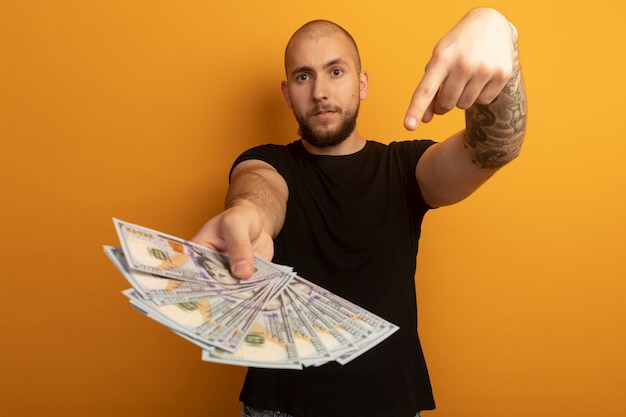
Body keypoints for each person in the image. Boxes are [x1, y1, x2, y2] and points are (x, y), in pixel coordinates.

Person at [192, 7, 527, 417]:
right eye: (303, 76)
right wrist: (247, 214)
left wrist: (498, 31)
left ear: (361, 82)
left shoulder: (406, 168)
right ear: (287, 93)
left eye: (336, 71)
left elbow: (494, 148)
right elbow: (259, 189)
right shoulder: (267, 162)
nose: (319, 92)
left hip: (391, 406)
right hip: (278, 408)